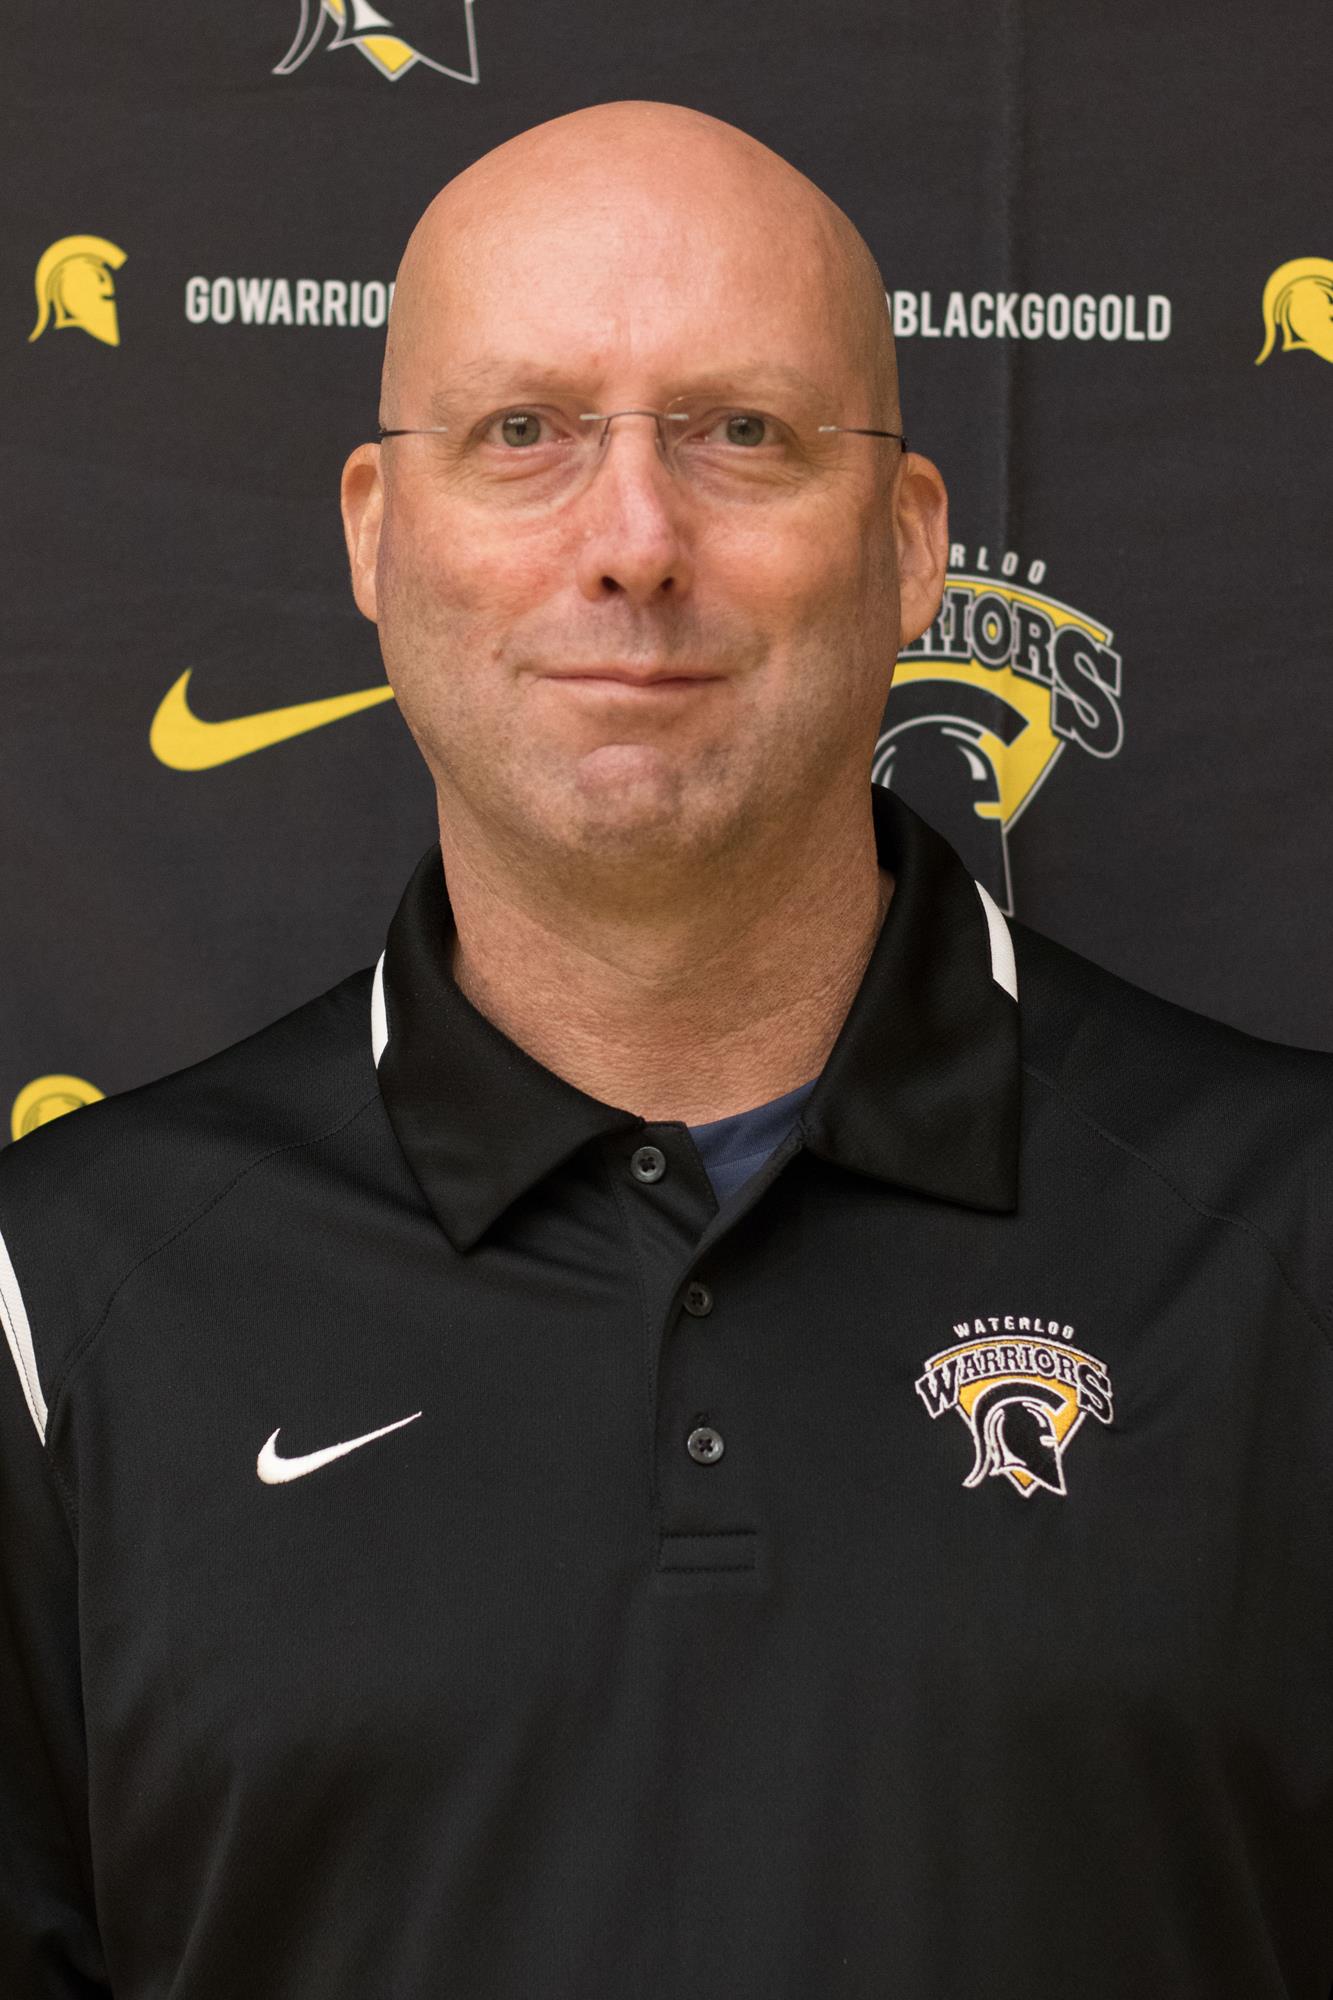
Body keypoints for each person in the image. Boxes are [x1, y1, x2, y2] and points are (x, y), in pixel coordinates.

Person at [1, 100, 1330, 2000]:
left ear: (909, 545)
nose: (632, 541)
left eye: (741, 434)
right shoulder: (56, 1304)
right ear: (377, 534)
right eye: (522, 433)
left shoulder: (1293, 1240)